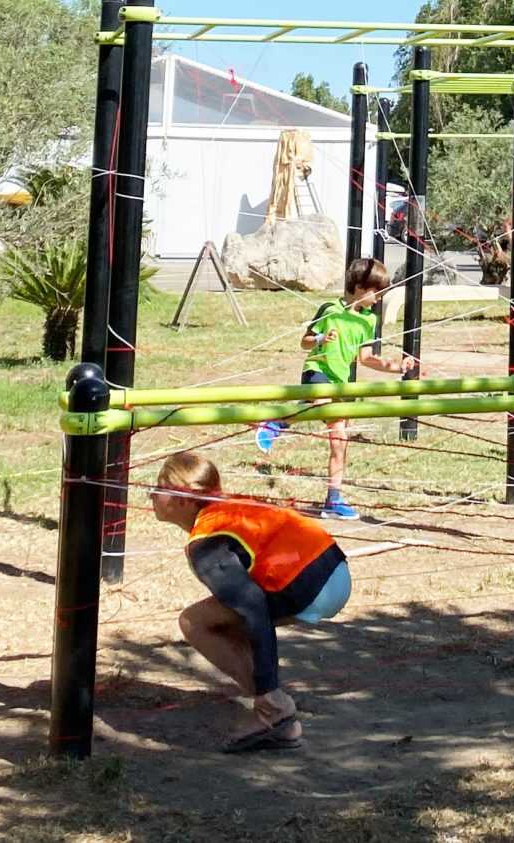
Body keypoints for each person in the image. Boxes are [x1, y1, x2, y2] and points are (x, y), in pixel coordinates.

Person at [152, 451, 350, 753]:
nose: (151, 494)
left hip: (311, 583)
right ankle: (275, 704)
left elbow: (252, 607)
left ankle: (273, 709)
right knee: (223, 620)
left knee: (195, 622)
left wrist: (268, 689)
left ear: (184, 500)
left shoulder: (206, 543)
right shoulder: (228, 508)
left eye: (160, 487)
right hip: (333, 566)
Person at [258, 258, 417, 520]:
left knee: (340, 441)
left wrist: (397, 366)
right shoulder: (329, 309)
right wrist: (321, 338)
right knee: (331, 421)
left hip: (341, 382)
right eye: (377, 293)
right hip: (317, 373)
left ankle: (332, 499)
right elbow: (305, 343)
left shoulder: (368, 321)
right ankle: (279, 423)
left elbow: (366, 358)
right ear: (359, 287)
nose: (379, 299)